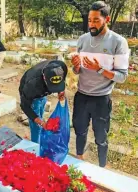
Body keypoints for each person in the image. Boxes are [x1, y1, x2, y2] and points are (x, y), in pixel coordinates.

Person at [71, 1, 129, 167]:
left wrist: (100, 69)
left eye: (96, 20)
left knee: (101, 138)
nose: (91, 24)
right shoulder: (82, 39)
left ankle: (102, 167)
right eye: (90, 20)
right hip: (81, 96)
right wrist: (75, 66)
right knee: (80, 131)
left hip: (101, 99)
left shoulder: (118, 42)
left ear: (107, 19)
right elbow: (78, 71)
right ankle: (79, 160)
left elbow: (122, 77)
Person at [19, 60, 67, 143]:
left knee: (42, 109)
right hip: (31, 96)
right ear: (44, 78)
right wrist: (40, 122)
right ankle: (36, 145)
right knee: (36, 124)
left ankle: (41, 136)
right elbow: (24, 105)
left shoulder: (61, 67)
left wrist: (60, 91)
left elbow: (60, 80)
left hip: (41, 92)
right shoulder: (32, 85)